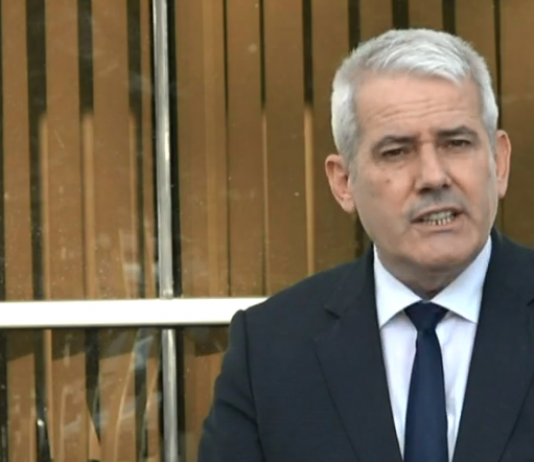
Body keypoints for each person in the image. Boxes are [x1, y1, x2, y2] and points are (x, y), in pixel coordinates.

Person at [198, 28, 534, 462]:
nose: (433, 176)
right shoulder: (268, 350)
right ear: (343, 183)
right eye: (396, 152)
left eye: (456, 143)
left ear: (499, 162)